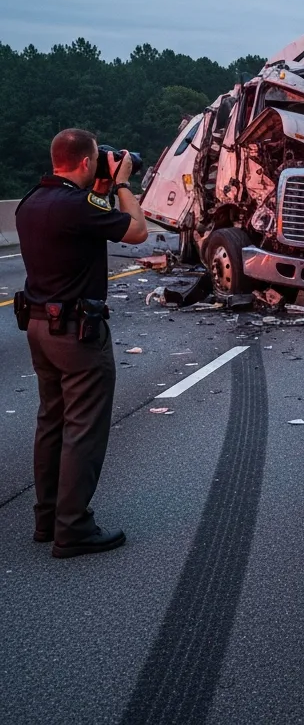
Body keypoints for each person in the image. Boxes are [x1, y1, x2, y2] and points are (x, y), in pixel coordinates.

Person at [14, 129, 149, 558]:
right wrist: (123, 182)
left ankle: (47, 519)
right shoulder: (77, 207)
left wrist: (102, 186)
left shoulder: (31, 201)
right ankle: (73, 528)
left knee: (52, 422)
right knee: (83, 431)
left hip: (38, 328)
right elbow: (137, 231)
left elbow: (91, 216)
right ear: (87, 162)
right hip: (76, 334)